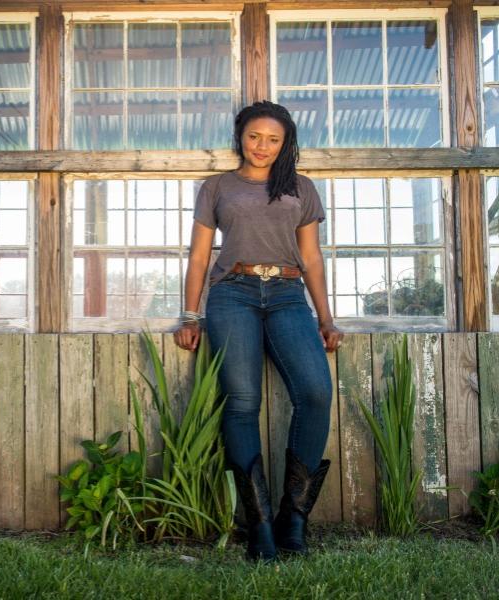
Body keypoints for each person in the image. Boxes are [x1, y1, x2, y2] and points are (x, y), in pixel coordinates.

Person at [173, 100, 344, 561]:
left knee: (315, 393)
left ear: (285, 143)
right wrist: (191, 315)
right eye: (254, 137)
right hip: (233, 295)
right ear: (240, 137)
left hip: (288, 296)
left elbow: (311, 259)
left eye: (273, 139)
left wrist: (325, 319)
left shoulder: (302, 188)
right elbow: (199, 256)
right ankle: (260, 527)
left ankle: (294, 518)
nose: (262, 146)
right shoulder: (216, 188)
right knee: (243, 403)